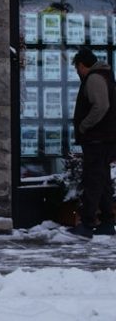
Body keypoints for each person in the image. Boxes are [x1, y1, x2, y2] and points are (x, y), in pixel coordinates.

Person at [68, 47, 116, 239]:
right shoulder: (104, 76)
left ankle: (87, 224)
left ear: (82, 65)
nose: (77, 72)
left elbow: (101, 106)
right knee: (102, 181)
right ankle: (106, 222)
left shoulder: (95, 78)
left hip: (97, 139)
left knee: (93, 180)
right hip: (105, 138)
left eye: (77, 68)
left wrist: (84, 126)